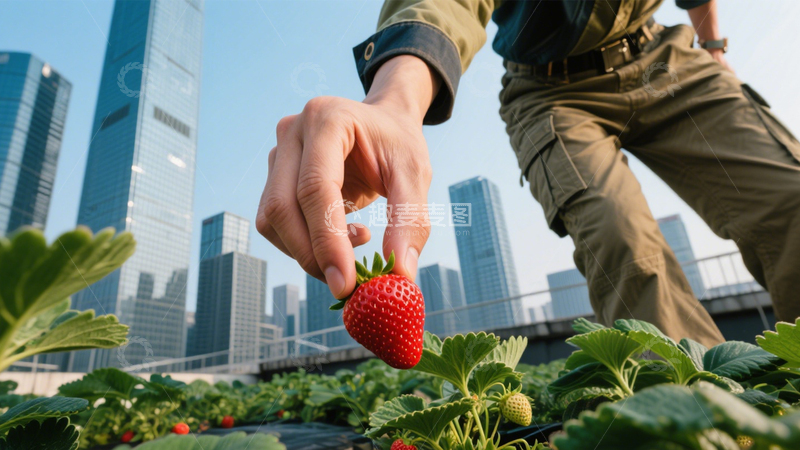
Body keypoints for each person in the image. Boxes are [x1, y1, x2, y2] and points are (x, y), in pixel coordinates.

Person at [256, 0, 800, 347]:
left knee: (790, 202)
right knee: (622, 245)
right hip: (551, 92)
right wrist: (396, 102)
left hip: (666, 55)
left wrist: (712, 46)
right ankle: (703, 423)